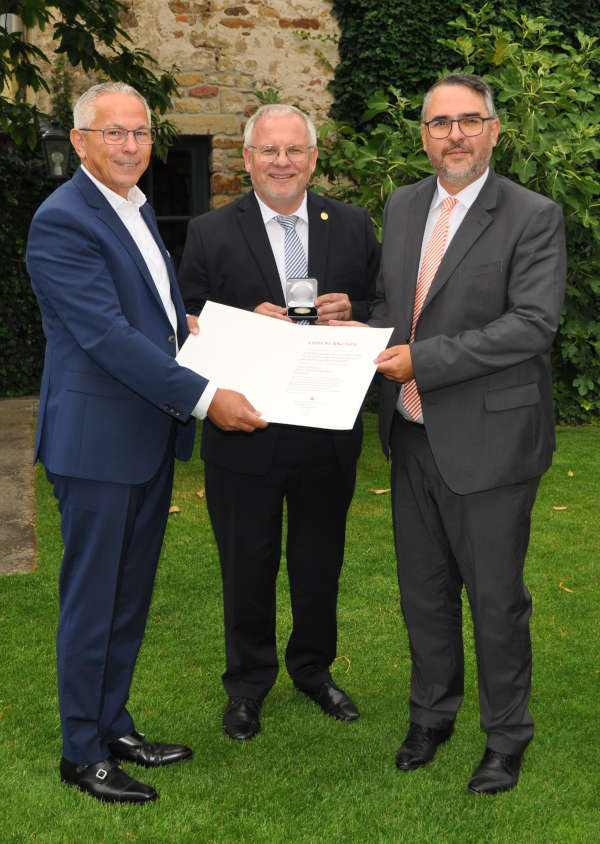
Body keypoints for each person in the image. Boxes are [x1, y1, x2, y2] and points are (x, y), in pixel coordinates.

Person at [26, 81, 266, 805]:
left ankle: (112, 723)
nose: (131, 146)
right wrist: (202, 397)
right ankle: (81, 753)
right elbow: (104, 335)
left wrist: (210, 332)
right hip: (98, 444)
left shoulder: (129, 206)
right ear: (79, 142)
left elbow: (152, 318)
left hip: (141, 437)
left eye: (140, 133)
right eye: (114, 134)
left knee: (128, 597)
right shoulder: (63, 220)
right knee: (93, 602)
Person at [368, 74, 566, 794]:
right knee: (422, 591)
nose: (455, 135)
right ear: (422, 134)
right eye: (440, 123)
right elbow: (398, 303)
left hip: (492, 442)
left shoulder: (532, 214)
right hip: (413, 433)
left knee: (494, 598)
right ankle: (431, 715)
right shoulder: (402, 205)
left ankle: (506, 736)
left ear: (495, 130)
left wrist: (425, 360)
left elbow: (532, 324)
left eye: (469, 121)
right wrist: (345, 321)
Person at [178, 104, 379, 741]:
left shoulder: (351, 225)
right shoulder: (210, 232)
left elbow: (384, 303)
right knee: (247, 564)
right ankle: (247, 685)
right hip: (245, 432)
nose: (282, 161)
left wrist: (357, 307)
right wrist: (243, 317)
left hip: (325, 431)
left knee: (320, 561)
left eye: (294, 150)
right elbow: (186, 318)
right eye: (269, 150)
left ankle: (314, 670)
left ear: (313, 158)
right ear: (247, 160)